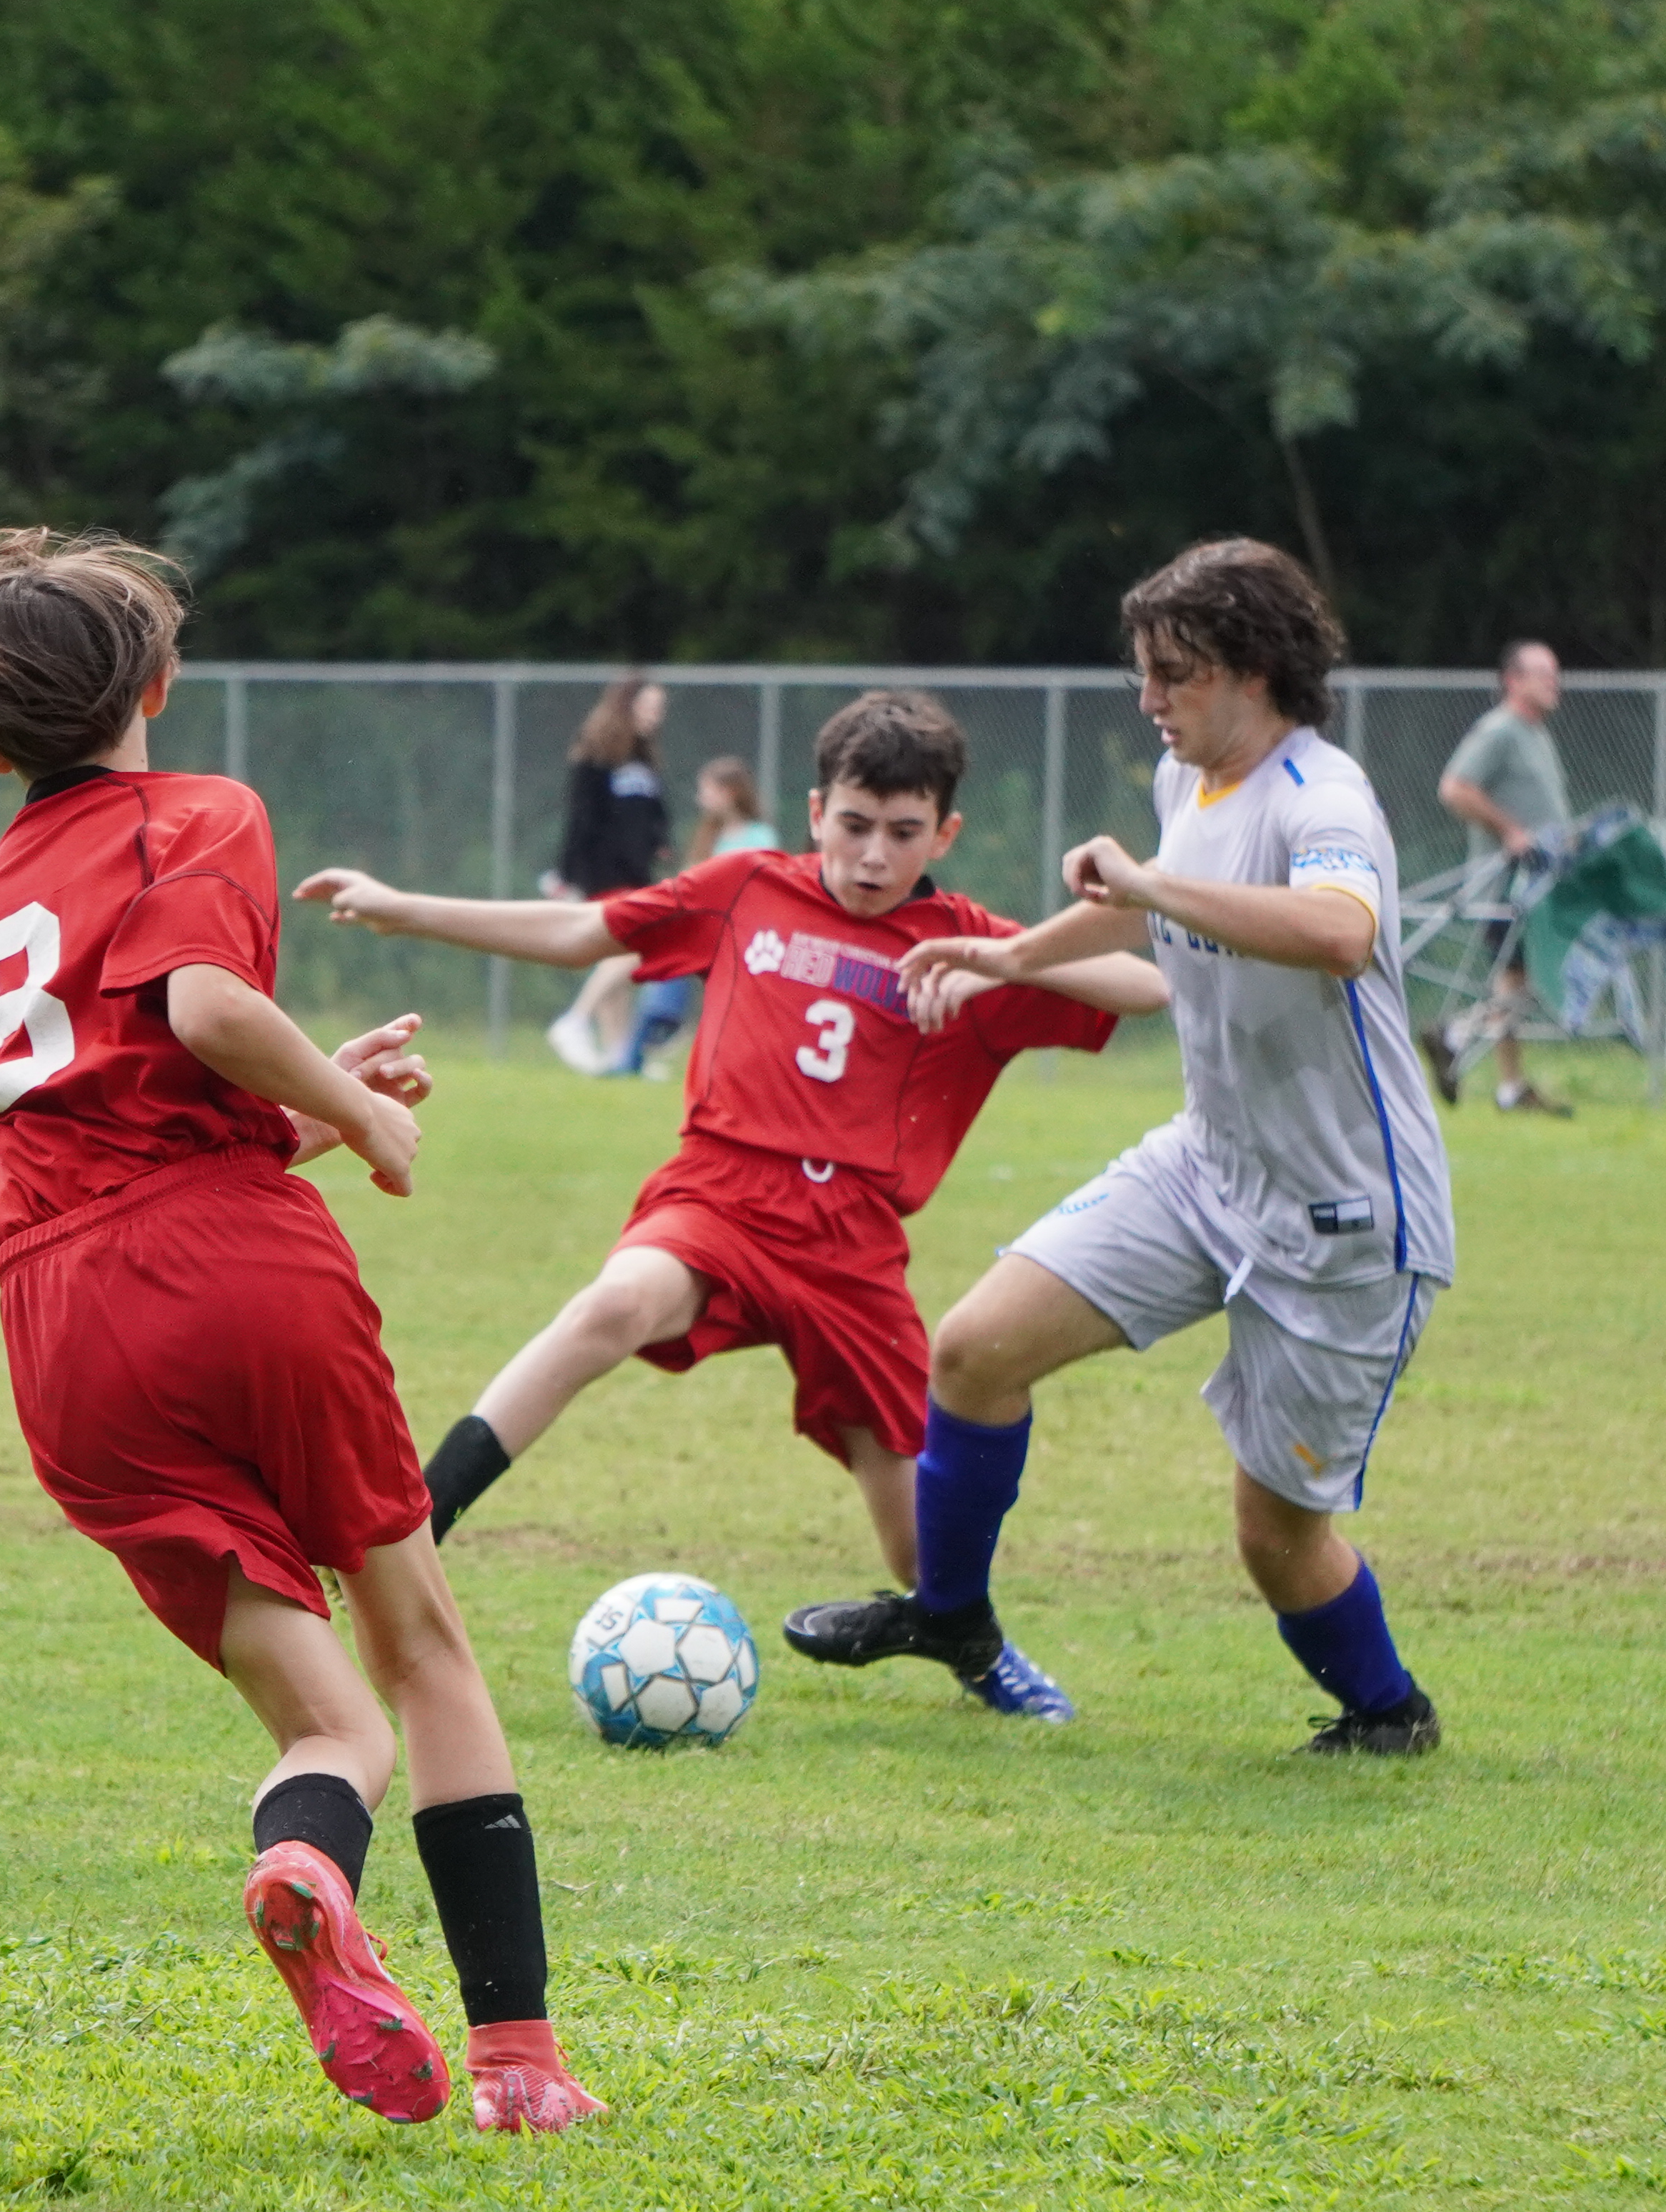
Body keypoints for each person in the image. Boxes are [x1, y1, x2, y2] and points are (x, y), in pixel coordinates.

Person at [0, 528, 597, 2136]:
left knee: (328, 1717)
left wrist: (295, 1108)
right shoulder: (198, 808)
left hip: (63, 1325)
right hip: (235, 1272)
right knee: (418, 1638)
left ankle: (308, 1856)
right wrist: (357, 1104)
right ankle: (518, 2062)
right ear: (157, 686)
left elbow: (121, 1117)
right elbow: (207, 1014)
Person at [294, 694, 1159, 1718]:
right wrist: (402, 907)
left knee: (918, 1540)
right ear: (813, 812)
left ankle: (967, 1636)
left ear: (946, 834)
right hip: (722, 1194)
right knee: (607, 1312)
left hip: (853, 1249)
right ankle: (414, 1536)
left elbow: (1143, 989)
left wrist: (1000, 963)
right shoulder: (746, 889)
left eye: (902, 832)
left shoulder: (965, 943)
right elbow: (584, 928)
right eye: (853, 824)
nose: (873, 855)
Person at [796, 539, 1455, 1758]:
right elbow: (1143, 901)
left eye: (1174, 675)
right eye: (1145, 673)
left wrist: (1150, 885)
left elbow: (1339, 932)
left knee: (1276, 1534)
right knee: (977, 1349)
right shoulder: (1184, 781)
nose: (1150, 700)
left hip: (1344, 1215)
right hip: (1207, 1164)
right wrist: (1008, 956)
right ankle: (950, 1618)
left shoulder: (1323, 798)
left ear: (1254, 669)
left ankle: (1386, 1713)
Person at [1433, 637, 1572, 1114]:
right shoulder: (1498, 731)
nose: (1555, 682)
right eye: (1542, 673)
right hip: (1509, 887)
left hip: (1541, 885)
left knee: (1514, 983)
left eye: (1555, 672)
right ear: (1513, 681)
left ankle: (1511, 1088)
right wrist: (1511, 831)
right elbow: (1454, 788)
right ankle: (1459, 1033)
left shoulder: (1537, 735)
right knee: (1539, 979)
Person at [602, 756, 779, 1077]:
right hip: (705, 929)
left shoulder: (759, 837)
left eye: (708, 790)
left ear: (730, 793)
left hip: (741, 933)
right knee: (664, 967)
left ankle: (653, 1037)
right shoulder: (710, 837)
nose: (702, 799)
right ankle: (643, 1045)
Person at [540, 673, 671, 1074]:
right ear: (626, 706)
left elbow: (652, 816)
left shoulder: (644, 760)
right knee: (630, 950)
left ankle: (620, 1056)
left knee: (618, 956)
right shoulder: (596, 758)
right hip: (603, 873)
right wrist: (567, 874)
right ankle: (575, 1020)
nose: (655, 715)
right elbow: (581, 821)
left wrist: (661, 843)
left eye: (659, 708)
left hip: (636, 873)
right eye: (648, 706)